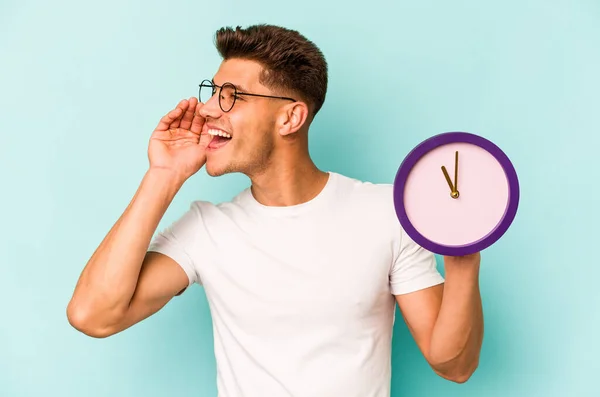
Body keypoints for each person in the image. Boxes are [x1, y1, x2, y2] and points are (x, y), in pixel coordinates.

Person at [67, 24, 484, 397]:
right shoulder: (206, 229)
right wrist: (164, 174)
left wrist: (463, 260)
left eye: (230, 96)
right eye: (212, 93)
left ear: (290, 118)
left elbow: (454, 365)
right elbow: (92, 315)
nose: (208, 109)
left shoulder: (386, 213)